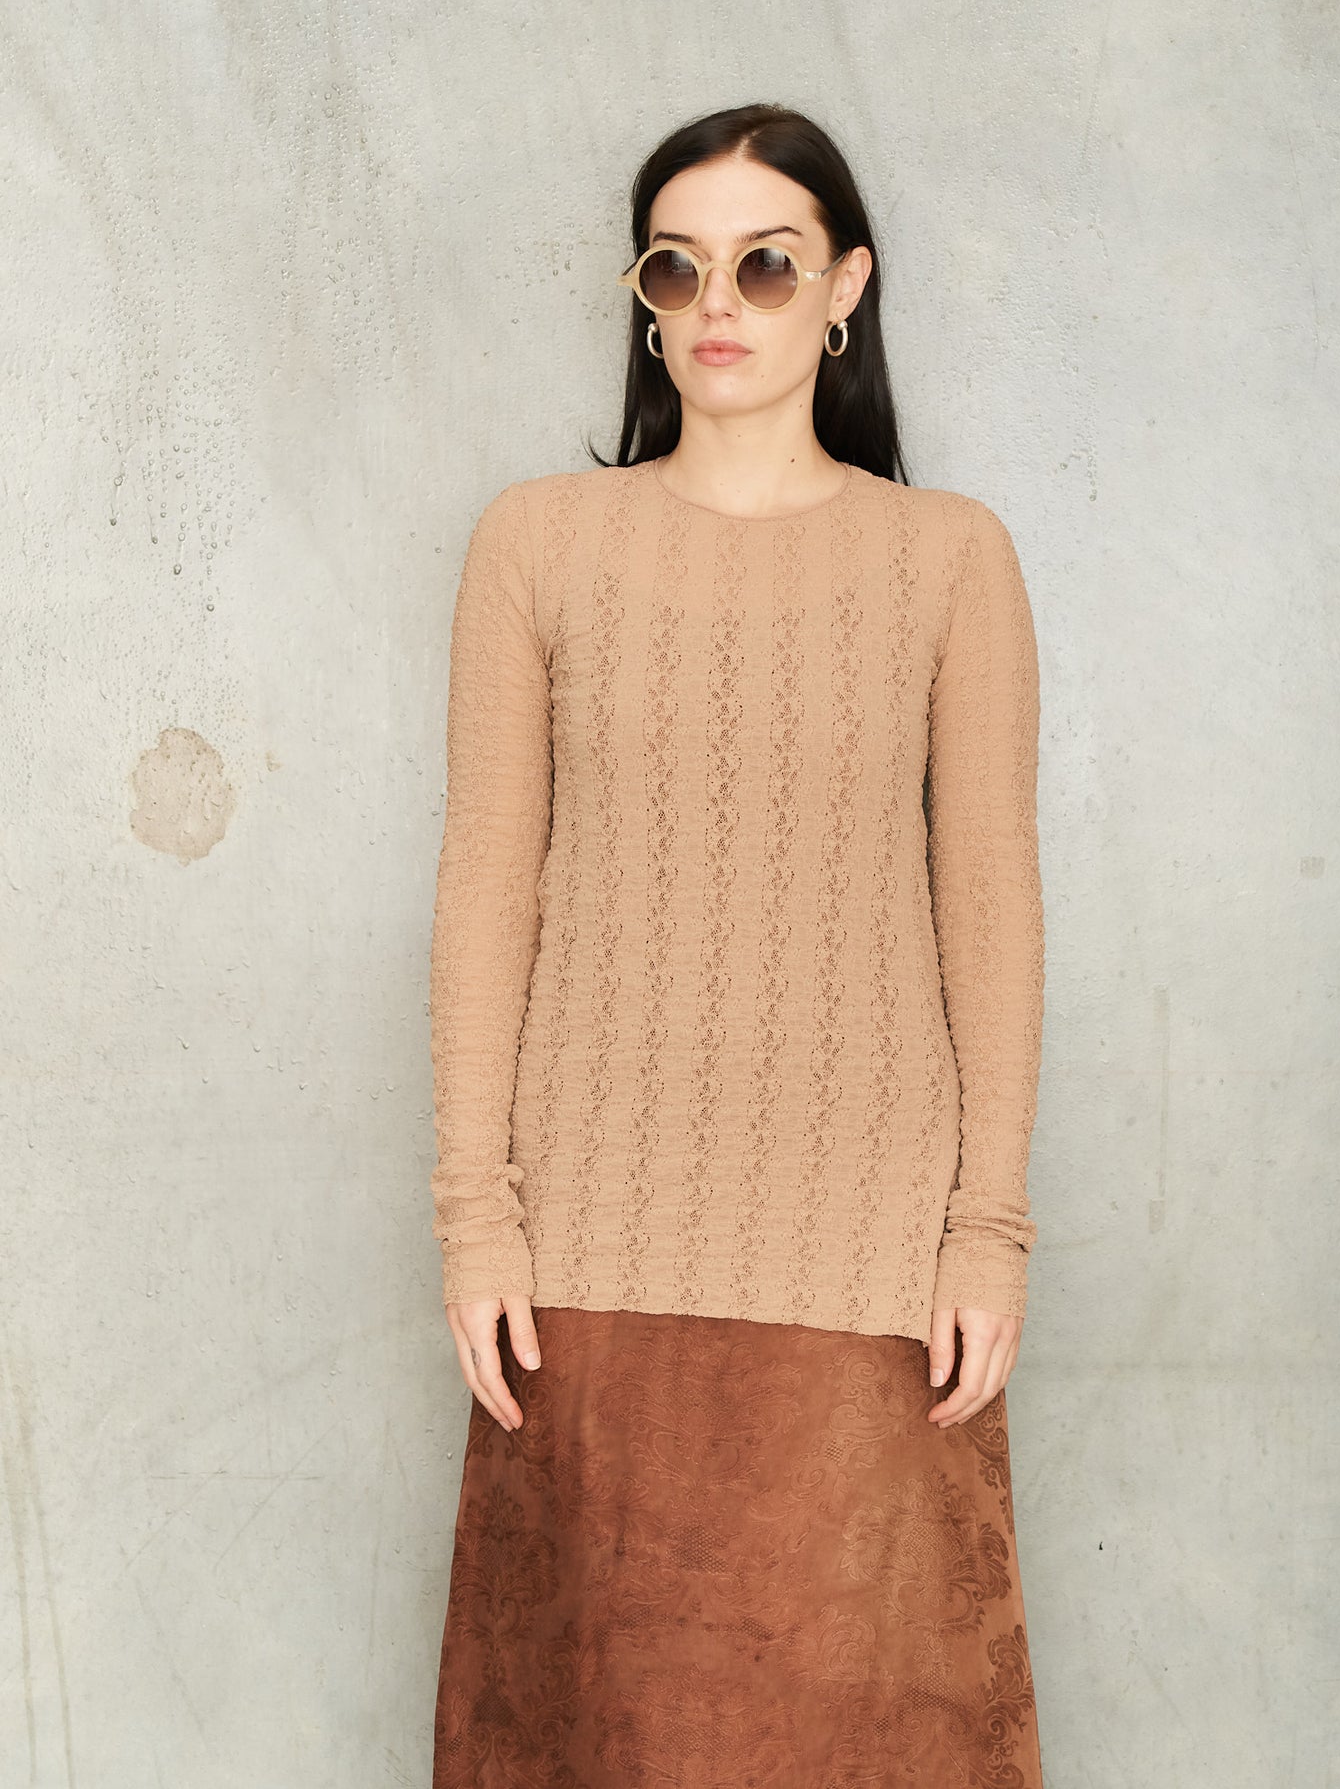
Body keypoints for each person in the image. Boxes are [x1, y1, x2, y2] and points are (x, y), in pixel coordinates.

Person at [427, 102, 1047, 1787]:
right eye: (677, 266)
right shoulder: (537, 542)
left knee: (869, 1740)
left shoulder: (948, 559)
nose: (719, 302)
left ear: (844, 288)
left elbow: (988, 900)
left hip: (871, 1259)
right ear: (642, 296)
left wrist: (984, 1233)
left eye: (766, 264)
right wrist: (477, 1219)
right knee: (595, 1742)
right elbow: (488, 884)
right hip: (586, 1257)